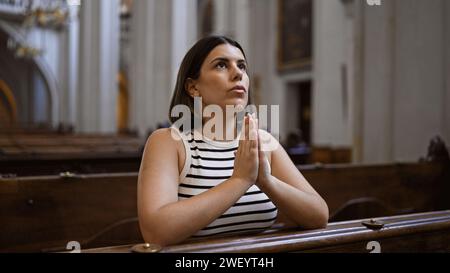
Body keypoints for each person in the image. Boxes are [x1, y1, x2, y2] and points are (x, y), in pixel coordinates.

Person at [137, 35, 329, 247]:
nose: (238, 73)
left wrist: (267, 181)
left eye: (242, 66)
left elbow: (319, 215)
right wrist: (239, 181)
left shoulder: (263, 141)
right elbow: (156, 232)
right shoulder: (169, 142)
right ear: (193, 88)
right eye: (221, 65)